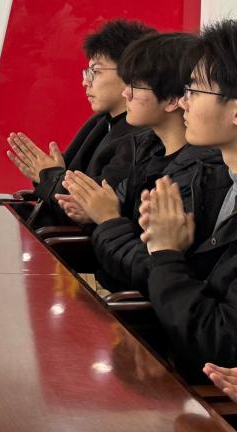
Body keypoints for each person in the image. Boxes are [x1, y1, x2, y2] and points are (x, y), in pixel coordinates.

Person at [57, 32, 226, 292]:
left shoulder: (199, 172)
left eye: (135, 85)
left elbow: (153, 273)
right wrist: (96, 212)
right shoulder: (146, 149)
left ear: (172, 100)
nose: (125, 93)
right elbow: (115, 208)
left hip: (125, 302)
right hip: (111, 289)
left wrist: (107, 219)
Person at [136, 19, 237, 379]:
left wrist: (166, 254)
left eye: (193, 91)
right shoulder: (223, 182)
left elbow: (219, 343)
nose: (183, 103)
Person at [5, 18, 155, 224]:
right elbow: (63, 179)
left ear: (131, 73)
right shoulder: (100, 121)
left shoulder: (141, 138)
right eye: (87, 72)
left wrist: (49, 176)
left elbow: (88, 204)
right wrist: (49, 175)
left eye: (95, 72)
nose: (85, 82)